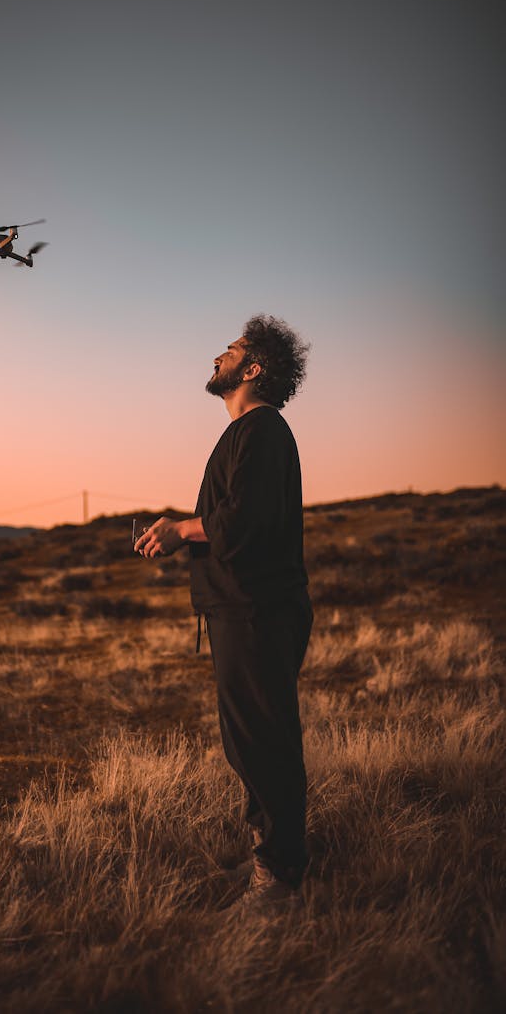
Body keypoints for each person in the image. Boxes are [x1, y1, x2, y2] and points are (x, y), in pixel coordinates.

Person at [134, 314, 312, 898]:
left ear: (253, 369)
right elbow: (236, 523)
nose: (220, 356)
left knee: (263, 740)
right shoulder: (249, 434)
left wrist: (182, 530)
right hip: (243, 610)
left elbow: (242, 525)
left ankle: (281, 873)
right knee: (248, 740)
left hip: (257, 611)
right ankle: (270, 854)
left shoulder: (262, 432)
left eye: (232, 350)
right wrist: (182, 533)